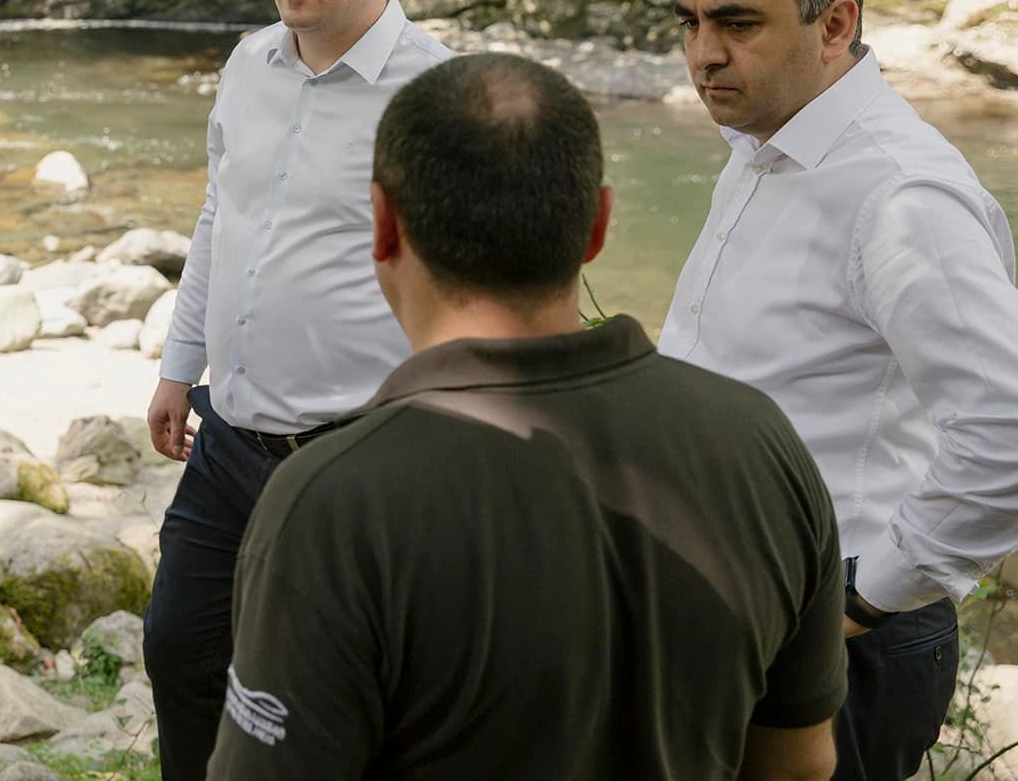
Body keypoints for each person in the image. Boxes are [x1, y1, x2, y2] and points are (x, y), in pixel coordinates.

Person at [211, 53, 848, 781]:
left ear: (382, 225)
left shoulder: (333, 501)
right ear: (598, 226)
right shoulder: (761, 442)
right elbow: (801, 762)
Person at [663, 0, 1018, 781]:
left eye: (737, 23)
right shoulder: (763, 143)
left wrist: (864, 596)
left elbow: (1006, 431)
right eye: (690, 21)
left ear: (835, 25)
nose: (703, 53)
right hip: (738, 615)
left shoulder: (901, 194)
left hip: (838, 645)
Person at [142, 0, 454, 779]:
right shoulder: (249, 61)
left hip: (352, 454)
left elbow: (466, 281)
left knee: (337, 693)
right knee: (180, 649)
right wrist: (178, 365)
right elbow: (219, 215)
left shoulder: (436, 93)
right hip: (228, 436)